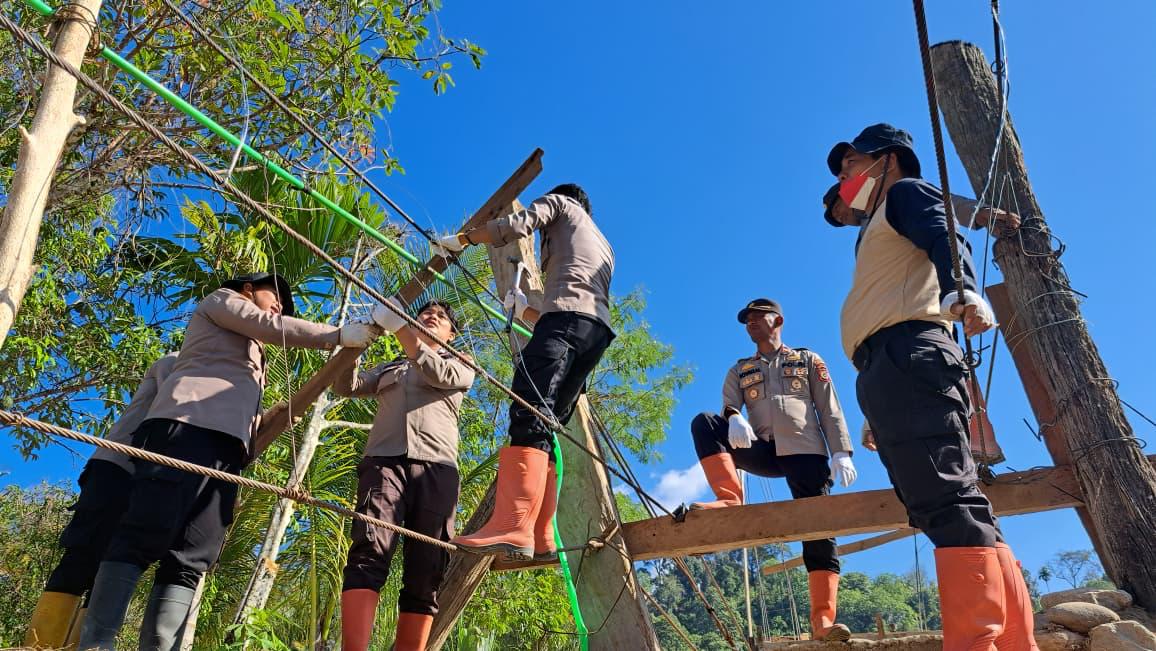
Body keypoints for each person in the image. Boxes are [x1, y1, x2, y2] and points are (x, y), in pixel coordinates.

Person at [77, 272, 380, 650]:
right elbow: (268, 325)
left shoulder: (255, 356)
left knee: (193, 554)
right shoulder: (223, 301)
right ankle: (97, 643)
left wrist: (273, 417)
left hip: (226, 449)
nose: (280, 306)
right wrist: (337, 335)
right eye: (275, 295)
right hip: (184, 426)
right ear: (248, 289)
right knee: (144, 529)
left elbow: (240, 408)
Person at [827, 123, 1037, 650]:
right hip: (890, 367)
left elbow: (947, 232)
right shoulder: (874, 224)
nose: (845, 178)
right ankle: (1013, 642)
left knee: (946, 500)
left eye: (852, 164)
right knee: (938, 502)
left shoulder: (904, 192)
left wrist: (961, 289)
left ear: (887, 159)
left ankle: (979, 643)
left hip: (908, 355)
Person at [433, 183, 614, 561]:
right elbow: (571, 311)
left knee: (529, 411)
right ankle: (542, 534)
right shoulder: (603, 245)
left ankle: (513, 524)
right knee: (545, 424)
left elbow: (516, 225)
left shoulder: (562, 204)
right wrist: (524, 311)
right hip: (594, 334)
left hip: (567, 321)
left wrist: (463, 240)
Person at [689, 298, 856, 642]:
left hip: (805, 451)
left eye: (756, 317)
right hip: (762, 448)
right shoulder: (740, 369)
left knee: (818, 531)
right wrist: (734, 417)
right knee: (705, 423)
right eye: (746, 319)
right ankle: (729, 497)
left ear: (776, 320)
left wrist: (841, 452)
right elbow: (729, 403)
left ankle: (823, 621)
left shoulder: (807, 360)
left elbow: (829, 408)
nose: (750, 322)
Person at [336, 300, 475, 651]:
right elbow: (346, 386)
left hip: (437, 469)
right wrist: (352, 347)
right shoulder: (391, 367)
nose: (432, 317)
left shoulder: (461, 363)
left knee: (427, 567)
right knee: (369, 548)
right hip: (384, 462)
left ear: (451, 335)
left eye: (441, 317)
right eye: (426, 313)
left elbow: (438, 375)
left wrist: (399, 328)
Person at [24, 352, 177, 649]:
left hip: (150, 477)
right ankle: (39, 646)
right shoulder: (174, 362)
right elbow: (177, 402)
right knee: (82, 555)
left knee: (112, 567)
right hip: (116, 466)